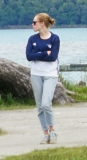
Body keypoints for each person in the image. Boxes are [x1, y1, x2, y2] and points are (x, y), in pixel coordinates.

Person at [26, 13, 61, 143]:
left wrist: (37, 54)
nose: (32, 25)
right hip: (36, 74)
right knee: (40, 106)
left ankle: (52, 131)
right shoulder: (32, 39)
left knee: (46, 104)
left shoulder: (55, 39)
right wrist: (44, 53)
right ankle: (45, 133)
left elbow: (53, 57)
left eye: (34, 22)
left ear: (42, 23)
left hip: (50, 74)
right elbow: (29, 56)